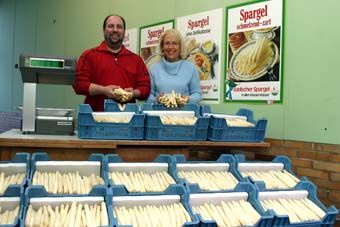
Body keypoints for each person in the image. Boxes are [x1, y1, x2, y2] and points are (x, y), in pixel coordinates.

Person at [73, 14, 150, 111]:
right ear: (104, 30)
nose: (115, 30)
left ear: (124, 31)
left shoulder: (136, 60)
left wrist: (133, 93)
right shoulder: (89, 55)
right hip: (95, 119)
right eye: (110, 26)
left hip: (128, 120)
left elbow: (145, 88)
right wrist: (103, 90)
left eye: (119, 27)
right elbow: (78, 84)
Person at [146, 29, 202, 104]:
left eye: (174, 43)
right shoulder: (153, 69)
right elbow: (148, 96)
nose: (170, 47)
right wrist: (157, 100)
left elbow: (197, 94)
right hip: (158, 113)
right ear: (162, 47)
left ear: (180, 47)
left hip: (185, 114)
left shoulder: (191, 68)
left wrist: (186, 99)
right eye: (167, 43)